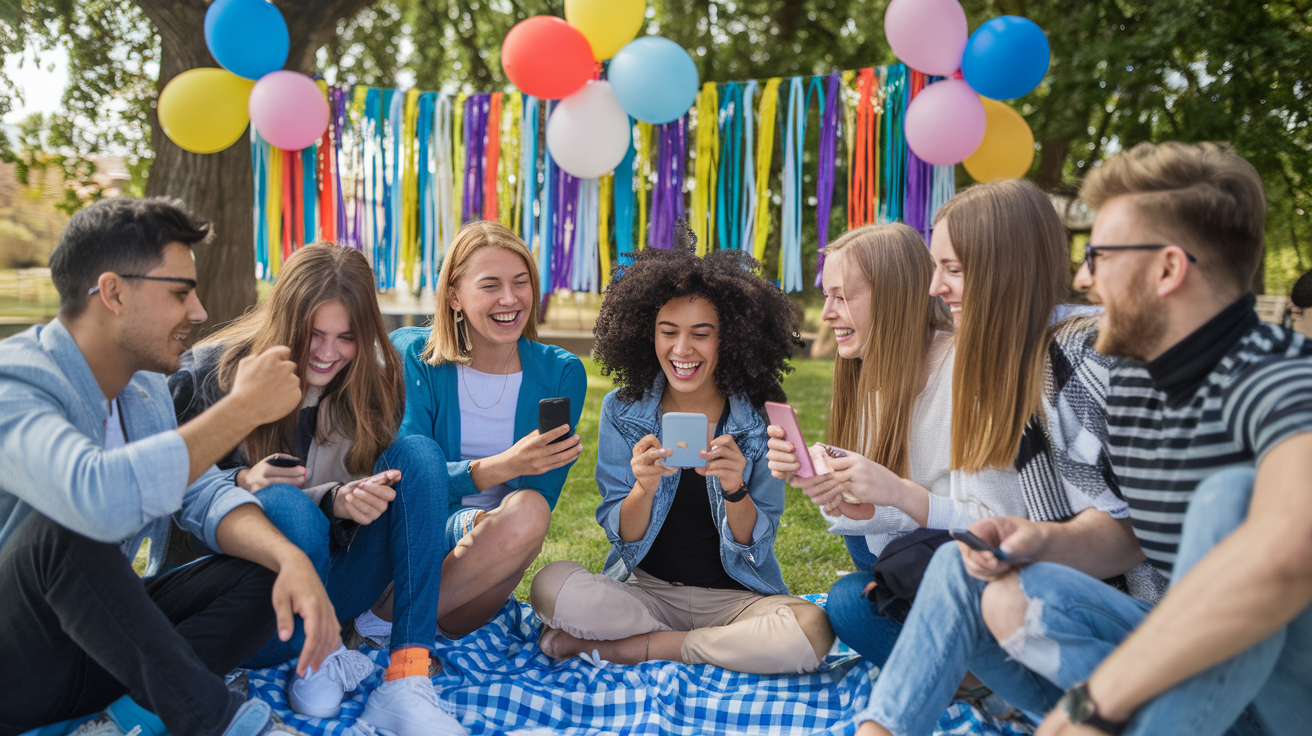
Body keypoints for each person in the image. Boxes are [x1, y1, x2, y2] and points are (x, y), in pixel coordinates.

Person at [856, 142, 1312, 736]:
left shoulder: (1280, 376)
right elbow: (1127, 534)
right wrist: (1035, 539)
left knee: (1226, 502)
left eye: (1099, 256)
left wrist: (1096, 701)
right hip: (1173, 654)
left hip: (1277, 688)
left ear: (1168, 269)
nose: (1079, 277)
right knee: (966, 572)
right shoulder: (1140, 380)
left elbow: (1282, 561)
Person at [0, 197, 336, 736]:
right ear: (112, 292)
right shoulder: (15, 383)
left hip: (105, 652)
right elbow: (94, 500)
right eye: (180, 293)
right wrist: (242, 408)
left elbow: (201, 494)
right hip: (18, 663)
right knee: (63, 523)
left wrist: (287, 556)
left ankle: (124, 722)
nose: (199, 312)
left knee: (264, 565)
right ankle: (227, 722)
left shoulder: (144, 387)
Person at [170, 243, 463, 736]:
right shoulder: (209, 374)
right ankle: (318, 657)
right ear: (286, 322)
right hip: (246, 613)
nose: (329, 354)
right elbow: (168, 488)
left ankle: (407, 678)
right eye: (314, 336)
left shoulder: (374, 381)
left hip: (332, 595)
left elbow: (367, 495)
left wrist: (351, 499)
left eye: (347, 337)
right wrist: (243, 482)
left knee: (420, 457)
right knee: (285, 503)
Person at [528, 239, 835, 675]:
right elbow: (624, 537)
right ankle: (697, 645)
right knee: (550, 586)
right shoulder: (624, 409)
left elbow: (756, 545)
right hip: (645, 595)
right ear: (647, 333)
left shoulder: (761, 417)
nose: (682, 350)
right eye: (668, 331)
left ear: (728, 340)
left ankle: (639, 648)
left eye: (700, 334)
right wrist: (643, 488)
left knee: (813, 628)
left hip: (737, 600)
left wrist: (736, 488)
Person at [765, 222, 1025, 669]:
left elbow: (1000, 528)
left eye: (841, 297)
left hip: (994, 571)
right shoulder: (873, 375)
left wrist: (895, 492)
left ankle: (980, 676)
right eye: (826, 296)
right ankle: (963, 667)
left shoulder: (966, 374)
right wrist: (841, 493)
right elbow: (882, 533)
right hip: (927, 555)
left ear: (893, 297)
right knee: (856, 575)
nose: (826, 314)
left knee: (849, 605)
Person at [389, 220, 586, 638]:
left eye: (520, 282)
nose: (510, 299)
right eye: (490, 285)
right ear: (454, 297)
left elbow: (539, 503)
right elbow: (409, 484)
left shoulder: (562, 373)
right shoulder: (414, 357)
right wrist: (499, 468)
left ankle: (388, 624)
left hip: (480, 572)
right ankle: (399, 623)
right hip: (412, 543)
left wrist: (482, 522)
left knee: (531, 508)